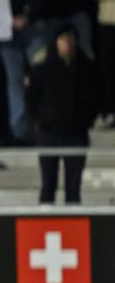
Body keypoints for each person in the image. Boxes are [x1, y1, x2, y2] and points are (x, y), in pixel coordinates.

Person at [27, 28, 102, 205]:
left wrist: (86, 120)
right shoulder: (43, 66)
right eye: (63, 39)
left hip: (76, 133)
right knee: (48, 185)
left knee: (73, 188)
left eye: (70, 39)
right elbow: (31, 97)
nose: (67, 44)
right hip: (48, 133)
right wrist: (41, 119)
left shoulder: (87, 67)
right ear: (56, 42)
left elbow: (97, 96)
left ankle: (73, 220)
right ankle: (45, 218)